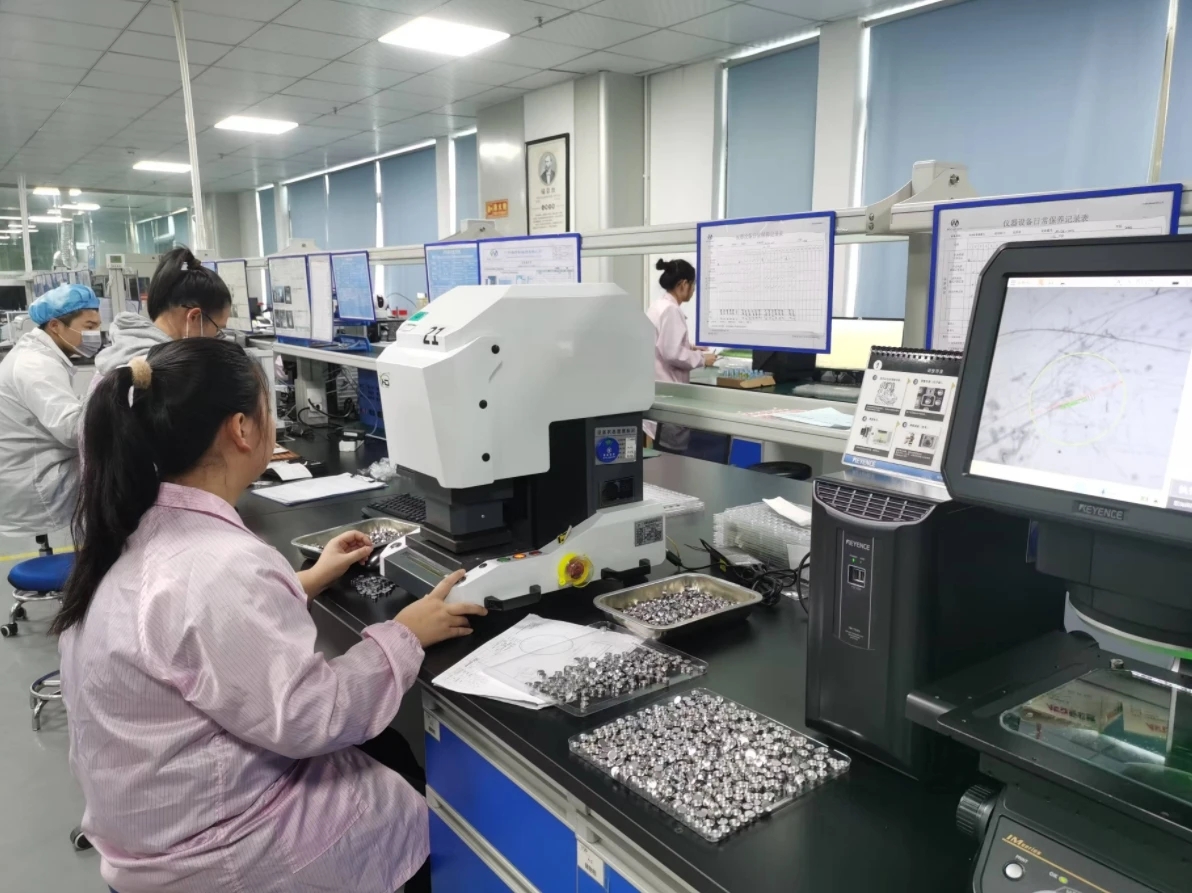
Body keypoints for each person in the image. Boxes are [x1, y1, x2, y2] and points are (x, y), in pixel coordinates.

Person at [56, 338, 486, 893]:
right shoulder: (220, 567)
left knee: (391, 751)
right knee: (433, 808)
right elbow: (314, 716)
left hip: (153, 838)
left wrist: (306, 579)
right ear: (241, 428)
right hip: (226, 858)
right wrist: (404, 635)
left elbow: (190, 632)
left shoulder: (139, 532)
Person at [0, 283, 101, 535]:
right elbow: (72, 431)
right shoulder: (36, 365)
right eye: (89, 327)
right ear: (55, 326)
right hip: (37, 486)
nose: (96, 335)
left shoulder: (37, 355)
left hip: (29, 470)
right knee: (124, 475)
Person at [92, 246, 231, 389]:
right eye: (217, 329)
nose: (218, 338)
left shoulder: (118, 354)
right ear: (194, 317)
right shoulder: (167, 375)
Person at [645, 258, 717, 451]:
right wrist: (703, 359)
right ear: (684, 284)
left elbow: (661, 343)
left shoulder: (658, 305)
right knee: (669, 457)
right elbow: (672, 353)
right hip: (668, 395)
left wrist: (690, 347)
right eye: (693, 285)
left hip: (657, 392)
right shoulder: (671, 310)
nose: (693, 290)